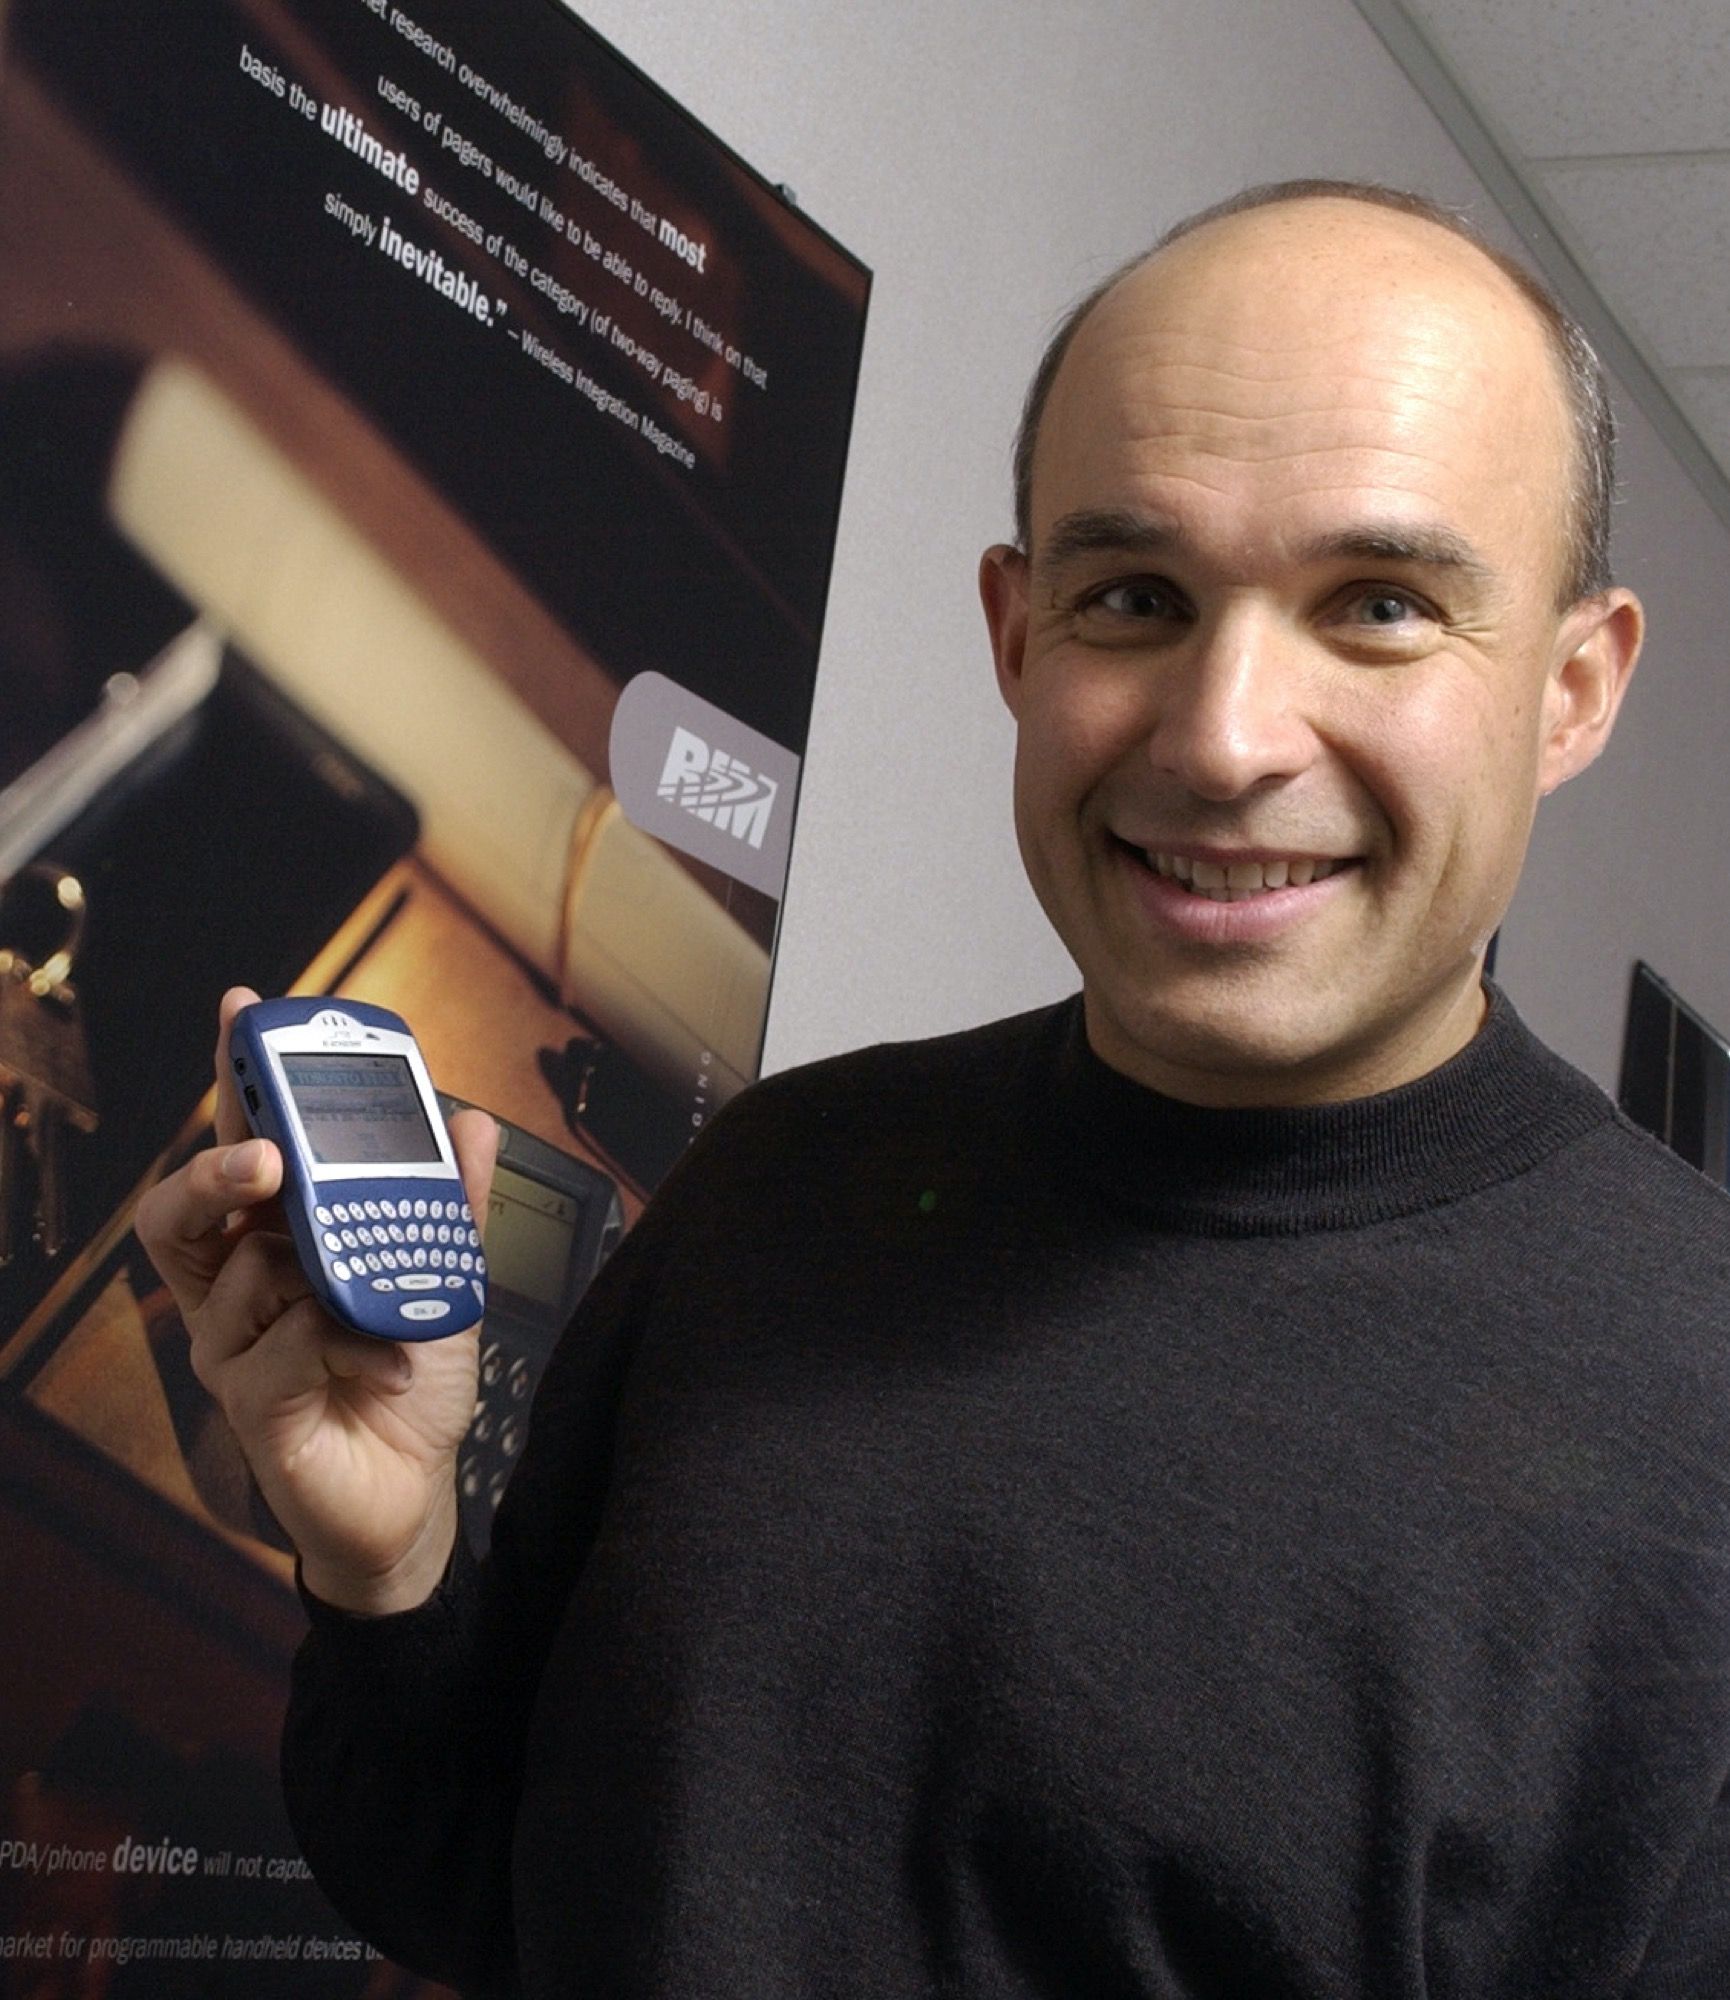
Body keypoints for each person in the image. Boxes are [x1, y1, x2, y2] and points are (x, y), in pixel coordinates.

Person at [137, 180, 1730, 1998]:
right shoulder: (781, 1181)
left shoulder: (1698, 1418)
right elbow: (477, 1891)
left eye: (1377, 605)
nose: (1222, 737)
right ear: (1016, 635)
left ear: (1571, 689)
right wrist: (388, 1564)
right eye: (1134, 597)